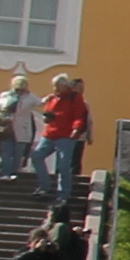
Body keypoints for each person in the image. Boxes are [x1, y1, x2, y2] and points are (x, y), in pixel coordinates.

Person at [31, 73, 88, 209]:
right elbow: (47, 113)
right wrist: (47, 118)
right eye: (54, 86)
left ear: (64, 86)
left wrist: (76, 129)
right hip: (50, 134)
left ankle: (63, 195)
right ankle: (44, 186)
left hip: (66, 136)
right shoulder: (51, 98)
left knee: (63, 166)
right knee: (36, 156)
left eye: (57, 86)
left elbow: (79, 116)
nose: (55, 88)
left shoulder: (74, 97)